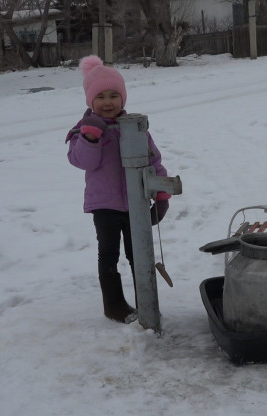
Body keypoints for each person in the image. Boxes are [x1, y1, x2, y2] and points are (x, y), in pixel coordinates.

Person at [66, 55, 170, 324]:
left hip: (136, 203)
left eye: (114, 95)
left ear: (123, 99)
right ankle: (114, 306)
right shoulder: (84, 130)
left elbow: (153, 159)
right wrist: (91, 137)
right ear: (90, 101)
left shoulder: (135, 127)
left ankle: (146, 301)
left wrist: (161, 194)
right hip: (104, 205)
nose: (108, 102)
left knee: (139, 253)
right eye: (100, 97)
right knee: (109, 253)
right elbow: (83, 162)